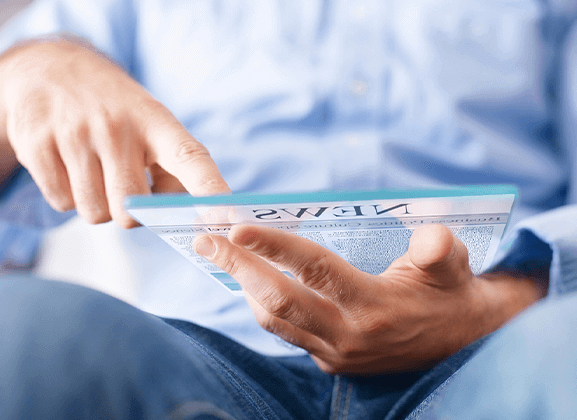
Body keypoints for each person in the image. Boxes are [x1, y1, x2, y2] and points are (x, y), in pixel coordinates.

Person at [0, 0, 576, 418]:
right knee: (27, 330)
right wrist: (28, 74)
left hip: (497, 350)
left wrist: (495, 305)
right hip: (203, 360)